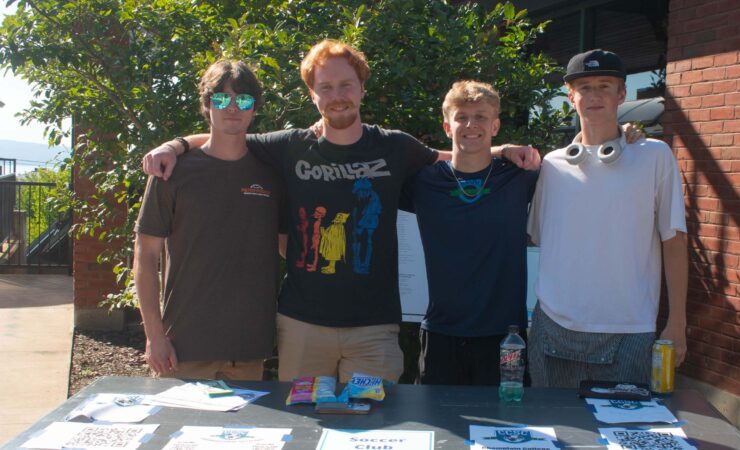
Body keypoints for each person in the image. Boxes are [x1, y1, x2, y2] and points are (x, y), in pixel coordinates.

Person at [140, 40, 539, 384]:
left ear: (362, 88)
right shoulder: (289, 145)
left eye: (346, 84)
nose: (337, 95)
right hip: (301, 326)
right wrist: (174, 146)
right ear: (313, 95)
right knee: (304, 429)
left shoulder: (395, 146)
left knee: (373, 426)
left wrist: (504, 150)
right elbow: (226, 135)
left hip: (374, 329)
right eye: (325, 87)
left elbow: (457, 156)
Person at [527, 49, 688, 388]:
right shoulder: (551, 166)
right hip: (553, 329)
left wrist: (677, 321)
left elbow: (674, 241)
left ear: (622, 94)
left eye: (604, 85)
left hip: (630, 331)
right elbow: (536, 239)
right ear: (571, 97)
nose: (594, 94)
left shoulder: (654, 156)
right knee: (557, 433)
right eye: (584, 86)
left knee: (626, 437)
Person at [133, 60, 284, 380]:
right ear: (206, 105)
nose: (232, 108)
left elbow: (287, 246)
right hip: (183, 349)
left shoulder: (271, 172)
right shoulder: (171, 173)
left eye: (243, 100)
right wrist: (154, 337)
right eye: (221, 99)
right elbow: (146, 257)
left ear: (254, 109)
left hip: (248, 350)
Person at [400, 81, 537, 386]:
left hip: (506, 336)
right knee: (440, 426)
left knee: (511, 425)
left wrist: (626, 136)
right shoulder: (424, 182)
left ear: (496, 125)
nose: (470, 125)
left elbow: (578, 163)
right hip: (440, 332)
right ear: (447, 127)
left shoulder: (520, 177)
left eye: (481, 117)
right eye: (461, 117)